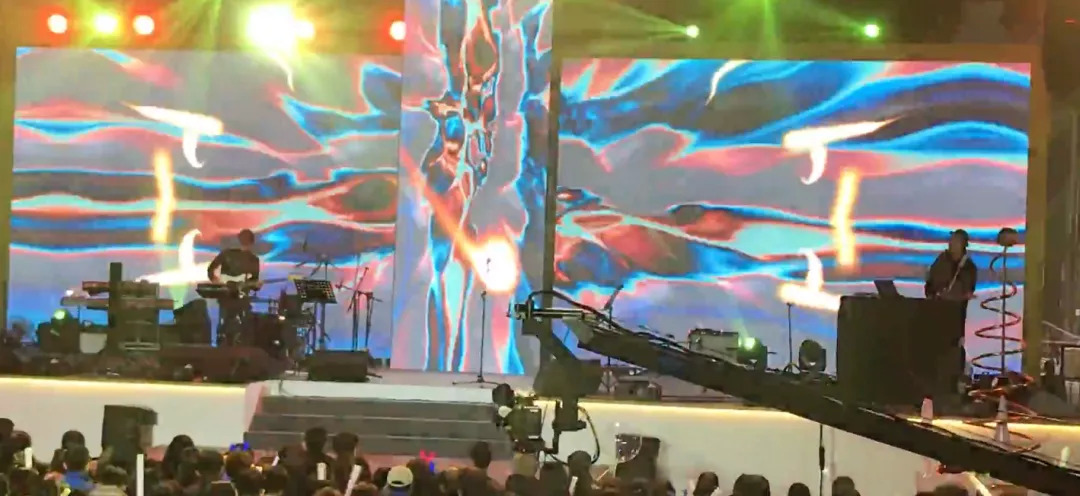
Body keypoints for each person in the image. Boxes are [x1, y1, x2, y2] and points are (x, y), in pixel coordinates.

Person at [207, 229, 261, 345]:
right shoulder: (227, 254)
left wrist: (256, 286)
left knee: (244, 327)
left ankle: (239, 345)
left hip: (241, 298)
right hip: (226, 296)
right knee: (225, 326)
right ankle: (224, 344)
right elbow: (211, 269)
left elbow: (254, 282)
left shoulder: (254, 260)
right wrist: (216, 281)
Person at [925, 229, 977, 301]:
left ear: (963, 244)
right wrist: (932, 295)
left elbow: (968, 290)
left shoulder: (969, 267)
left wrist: (954, 296)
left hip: (956, 305)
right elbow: (930, 282)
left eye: (956, 241)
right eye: (951, 240)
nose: (951, 243)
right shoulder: (941, 260)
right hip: (936, 303)